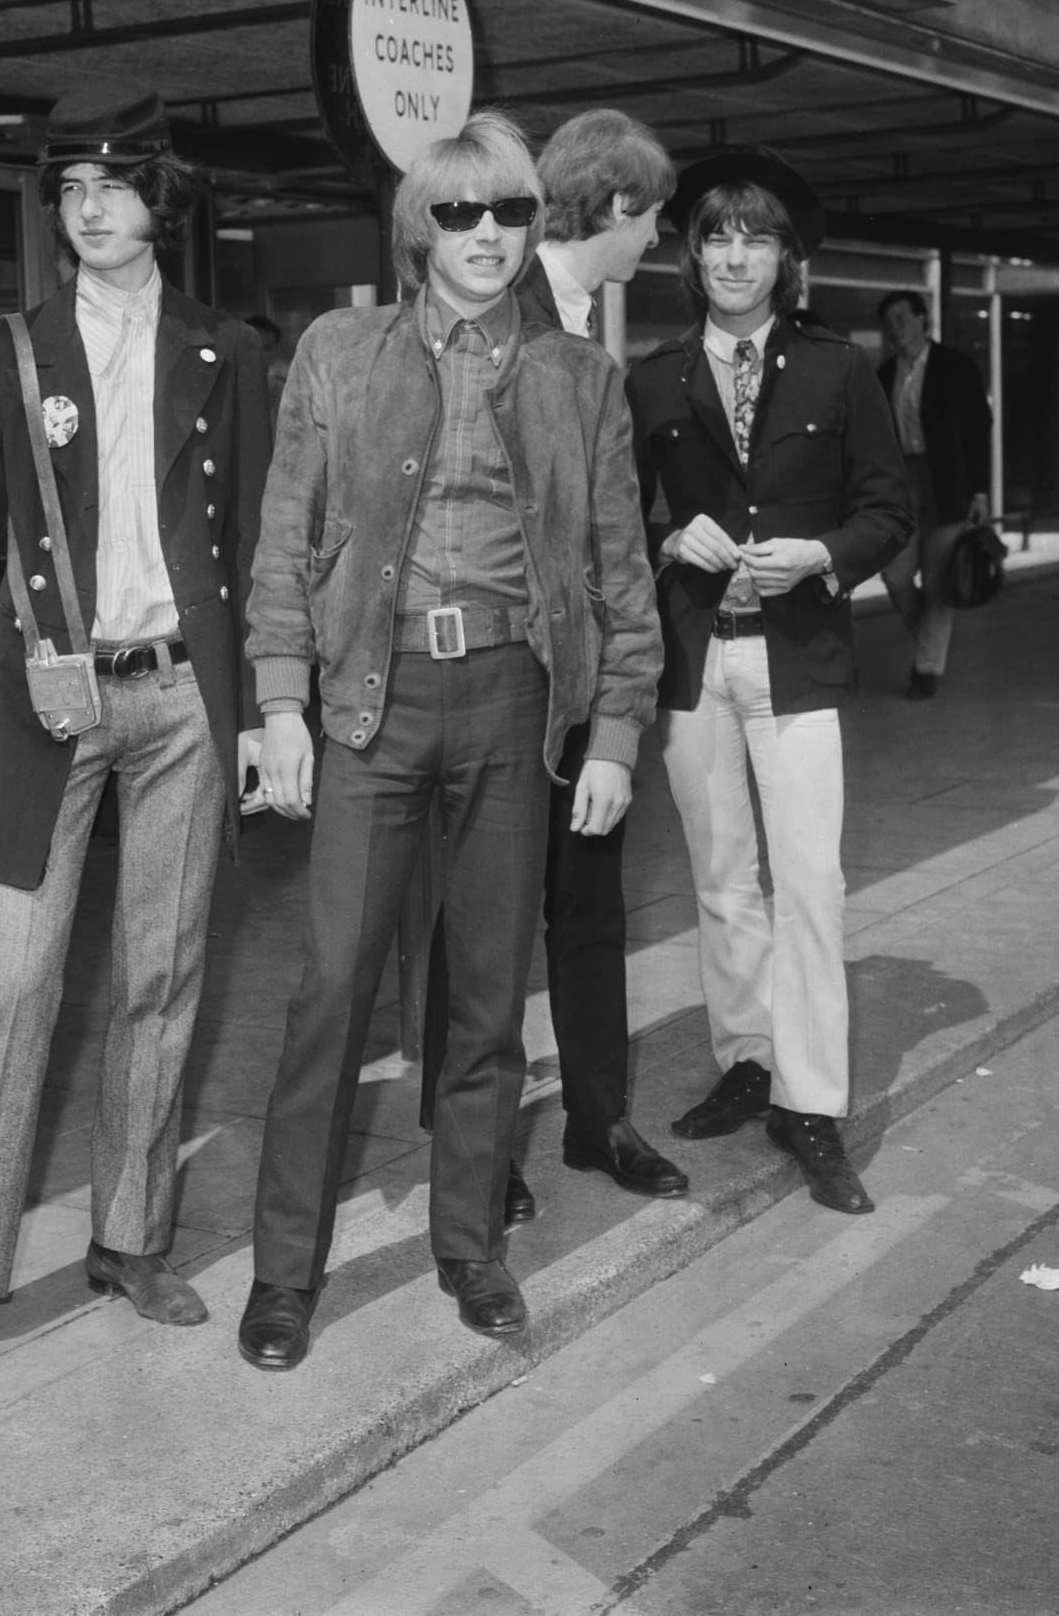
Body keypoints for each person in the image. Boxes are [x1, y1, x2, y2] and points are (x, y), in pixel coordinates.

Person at [239, 110, 663, 1373]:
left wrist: (618, 735)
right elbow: (284, 542)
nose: (488, 236)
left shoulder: (580, 377)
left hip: (513, 705)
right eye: (461, 213)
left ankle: (470, 1243)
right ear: (419, 226)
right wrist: (277, 703)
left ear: (540, 225)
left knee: (486, 999)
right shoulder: (338, 350)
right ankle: (282, 1272)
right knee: (332, 992)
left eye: (513, 213)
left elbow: (620, 573)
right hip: (373, 701)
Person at [0, 87, 271, 1386]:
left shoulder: (229, 351)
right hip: (43, 707)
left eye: (115, 182)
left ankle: (131, 1236)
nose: (93, 205)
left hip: (185, 702)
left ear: (160, 201)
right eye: (71, 186)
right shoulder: (9, 352)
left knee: (158, 978)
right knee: (18, 981)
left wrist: (268, 712)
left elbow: (263, 551)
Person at [626, 148, 910, 1217]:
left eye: (756, 236)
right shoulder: (655, 377)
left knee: (812, 881)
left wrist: (823, 557)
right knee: (719, 876)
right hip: (696, 660)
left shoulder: (840, 370)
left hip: (797, 657)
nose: (734, 254)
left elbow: (889, 507)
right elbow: (621, 513)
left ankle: (812, 1099)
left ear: (787, 257)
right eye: (716, 236)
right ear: (692, 256)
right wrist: (665, 536)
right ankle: (746, 1057)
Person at [419, 108, 687, 1217]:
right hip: (498, 672)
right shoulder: (495, 310)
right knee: (483, 914)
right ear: (618, 207)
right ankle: (475, 1139)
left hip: (583, 676)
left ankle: (595, 1115)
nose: (660, 238)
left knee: (587, 901)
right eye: (656, 215)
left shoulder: (590, 326)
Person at [875, 289, 993, 698]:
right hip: (901, 483)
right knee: (896, 574)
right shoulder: (884, 374)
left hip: (949, 481)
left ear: (924, 320)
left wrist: (980, 490)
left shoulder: (955, 367)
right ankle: (933, 643)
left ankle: (926, 669)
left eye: (903, 318)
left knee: (939, 579)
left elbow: (979, 431)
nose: (896, 328)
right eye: (889, 322)